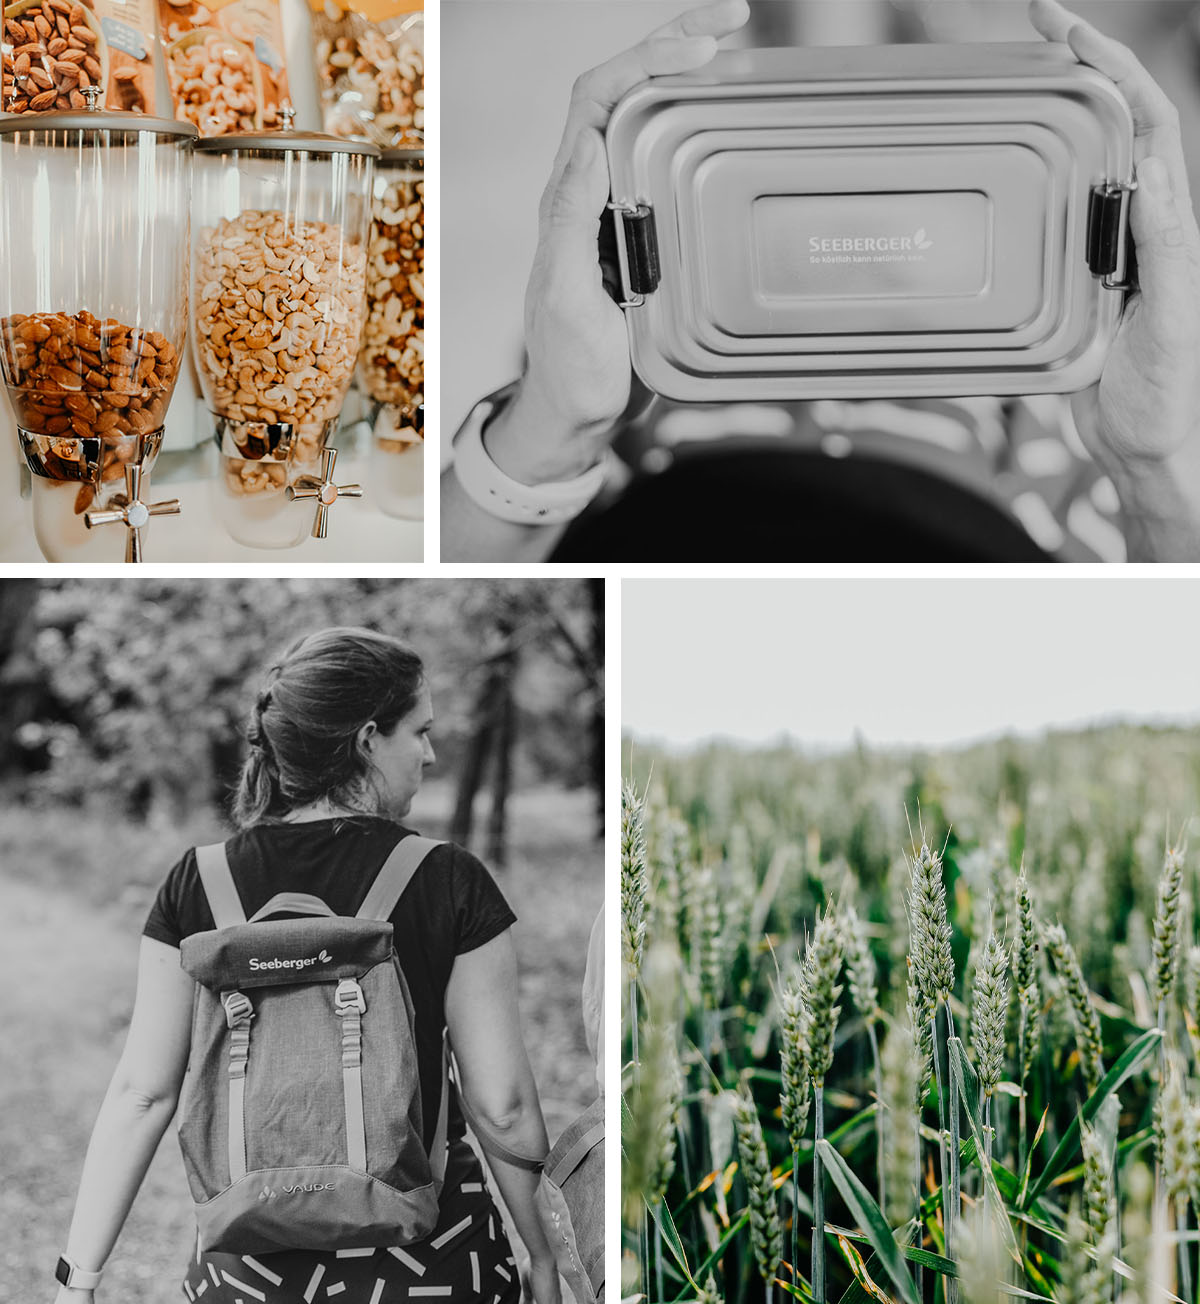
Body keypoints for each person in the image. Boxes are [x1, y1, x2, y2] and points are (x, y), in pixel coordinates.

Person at [441, 0, 1200, 562]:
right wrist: (549, 428)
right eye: (778, 68)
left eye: (885, 81)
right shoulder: (636, 329)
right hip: (678, 544)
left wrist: (1147, 470)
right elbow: (488, 578)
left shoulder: (1044, 368)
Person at [50, 627, 564, 1304]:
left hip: (250, 1272)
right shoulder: (447, 878)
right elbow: (502, 1106)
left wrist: (78, 1279)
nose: (432, 754)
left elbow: (142, 1094)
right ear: (368, 739)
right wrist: (549, 1258)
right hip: (435, 1260)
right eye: (420, 731)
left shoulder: (198, 883)